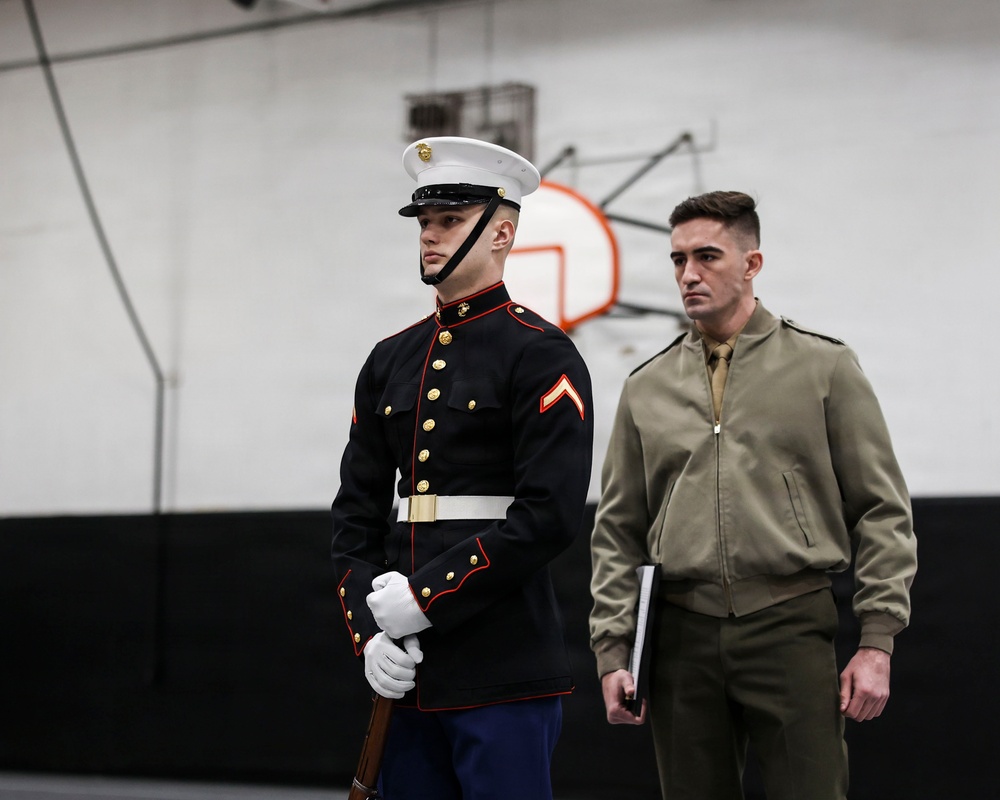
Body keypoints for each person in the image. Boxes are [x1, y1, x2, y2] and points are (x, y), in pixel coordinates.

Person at [588, 190, 917, 800]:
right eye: (678, 259)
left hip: (789, 626)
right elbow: (618, 529)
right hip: (679, 637)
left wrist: (877, 643)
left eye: (707, 256)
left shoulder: (825, 368)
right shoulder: (646, 386)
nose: (689, 274)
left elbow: (882, 510)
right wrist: (612, 650)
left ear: (752, 263)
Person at [331, 136, 594, 800]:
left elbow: (548, 517)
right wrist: (370, 633)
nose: (430, 236)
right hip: (408, 669)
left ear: (502, 232)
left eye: (449, 220)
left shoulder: (541, 356)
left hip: (501, 664)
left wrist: (423, 599)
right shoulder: (388, 360)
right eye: (424, 222)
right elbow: (354, 519)